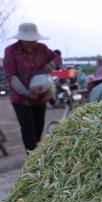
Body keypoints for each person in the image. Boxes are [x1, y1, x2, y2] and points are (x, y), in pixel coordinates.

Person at [3, 23, 62, 152]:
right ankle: (32, 156)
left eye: (33, 40)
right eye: (28, 40)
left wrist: (51, 63)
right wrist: (26, 92)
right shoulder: (11, 51)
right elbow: (11, 76)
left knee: (39, 124)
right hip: (20, 97)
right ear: (21, 39)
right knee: (27, 126)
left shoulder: (42, 49)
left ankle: (37, 151)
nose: (31, 43)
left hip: (40, 96)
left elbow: (58, 58)